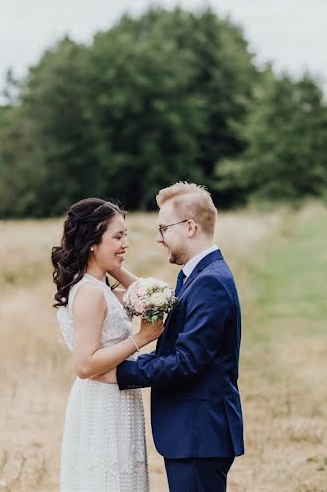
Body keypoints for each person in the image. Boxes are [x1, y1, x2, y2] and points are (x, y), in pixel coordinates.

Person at [99, 182, 244, 492]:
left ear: (189, 227)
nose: (159, 238)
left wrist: (119, 372)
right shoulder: (196, 276)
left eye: (163, 228)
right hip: (194, 434)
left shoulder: (210, 282)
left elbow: (185, 362)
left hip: (199, 434)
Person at [53, 197, 163, 491]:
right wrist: (141, 338)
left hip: (118, 397)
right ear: (92, 241)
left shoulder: (100, 287)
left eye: (125, 234)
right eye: (117, 236)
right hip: (102, 403)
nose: (125, 242)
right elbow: (84, 364)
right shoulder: (90, 293)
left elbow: (152, 299)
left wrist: (112, 266)